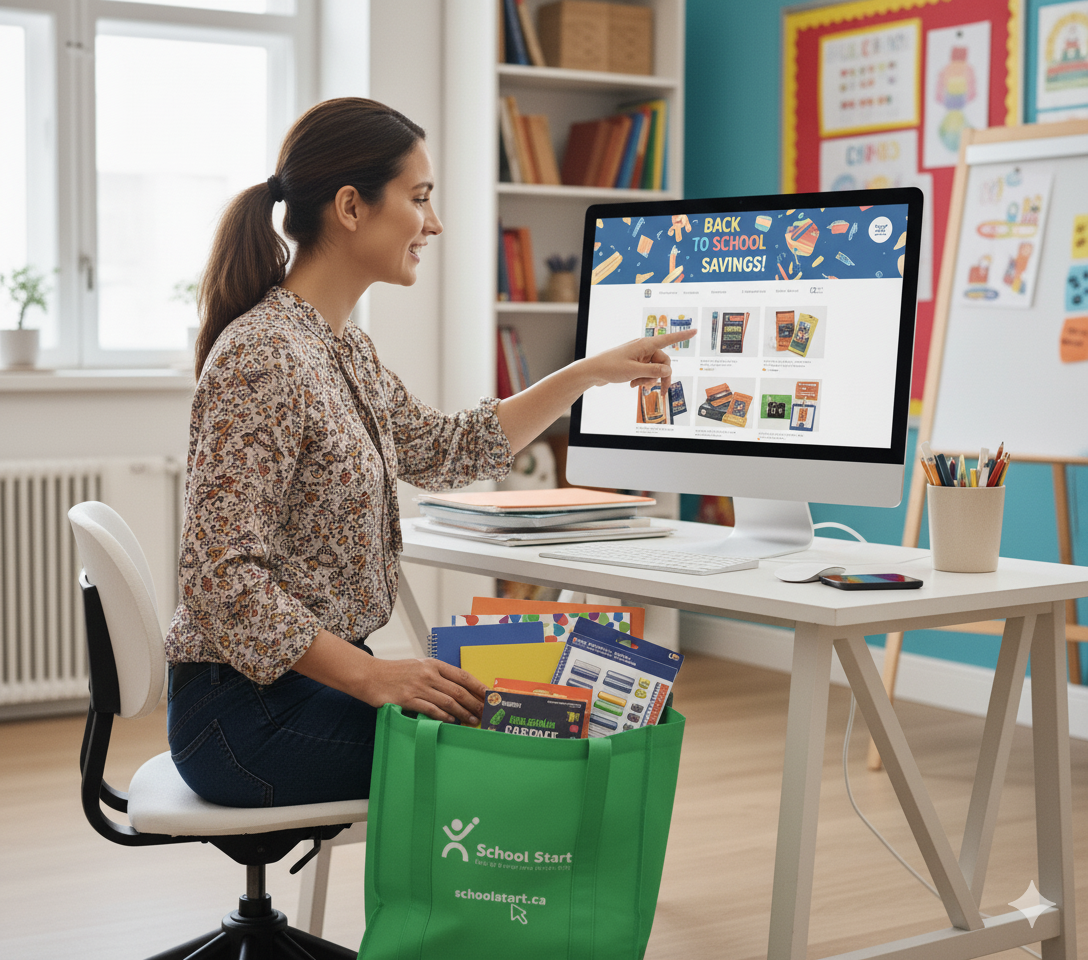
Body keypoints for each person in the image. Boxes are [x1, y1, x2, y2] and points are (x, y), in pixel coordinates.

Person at [164, 97, 692, 808]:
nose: (434, 223)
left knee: (530, 717)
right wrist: (373, 677)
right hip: (244, 718)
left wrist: (588, 372)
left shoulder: (338, 345)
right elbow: (220, 579)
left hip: (305, 685)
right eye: (419, 199)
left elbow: (444, 449)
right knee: (522, 753)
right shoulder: (264, 356)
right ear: (351, 207)